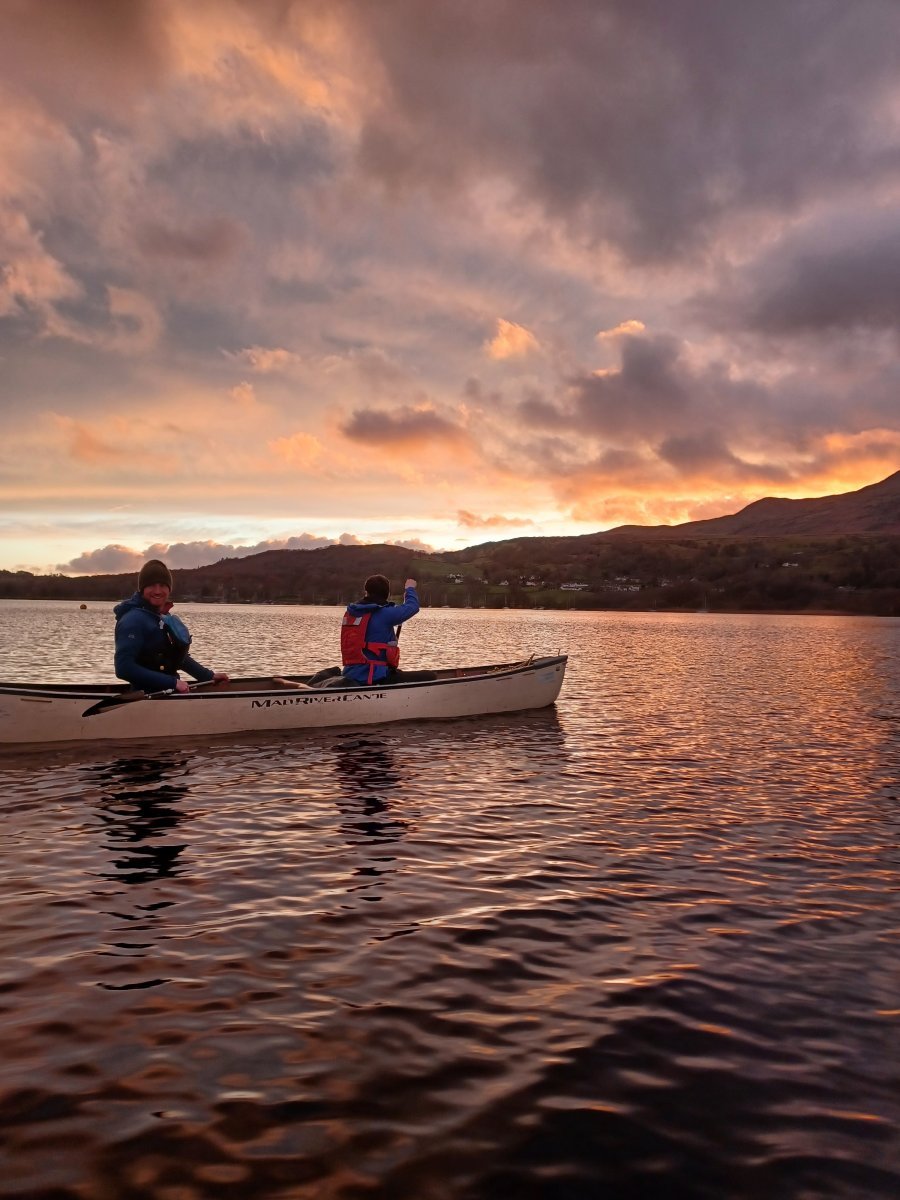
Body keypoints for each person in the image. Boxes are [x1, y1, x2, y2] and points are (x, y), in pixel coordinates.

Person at [114, 559, 229, 693]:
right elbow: (123, 668)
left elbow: (177, 657)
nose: (157, 591)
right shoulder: (132, 620)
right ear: (142, 589)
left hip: (168, 694)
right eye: (151, 585)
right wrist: (173, 682)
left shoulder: (161, 618)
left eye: (162, 585)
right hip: (146, 700)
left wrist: (208, 676)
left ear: (169, 589)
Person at [340, 575, 434, 685]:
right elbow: (413, 606)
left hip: (350, 673)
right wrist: (410, 588)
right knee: (430, 676)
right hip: (374, 676)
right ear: (387, 594)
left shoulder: (352, 612)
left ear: (366, 592)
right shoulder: (384, 613)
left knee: (398, 673)